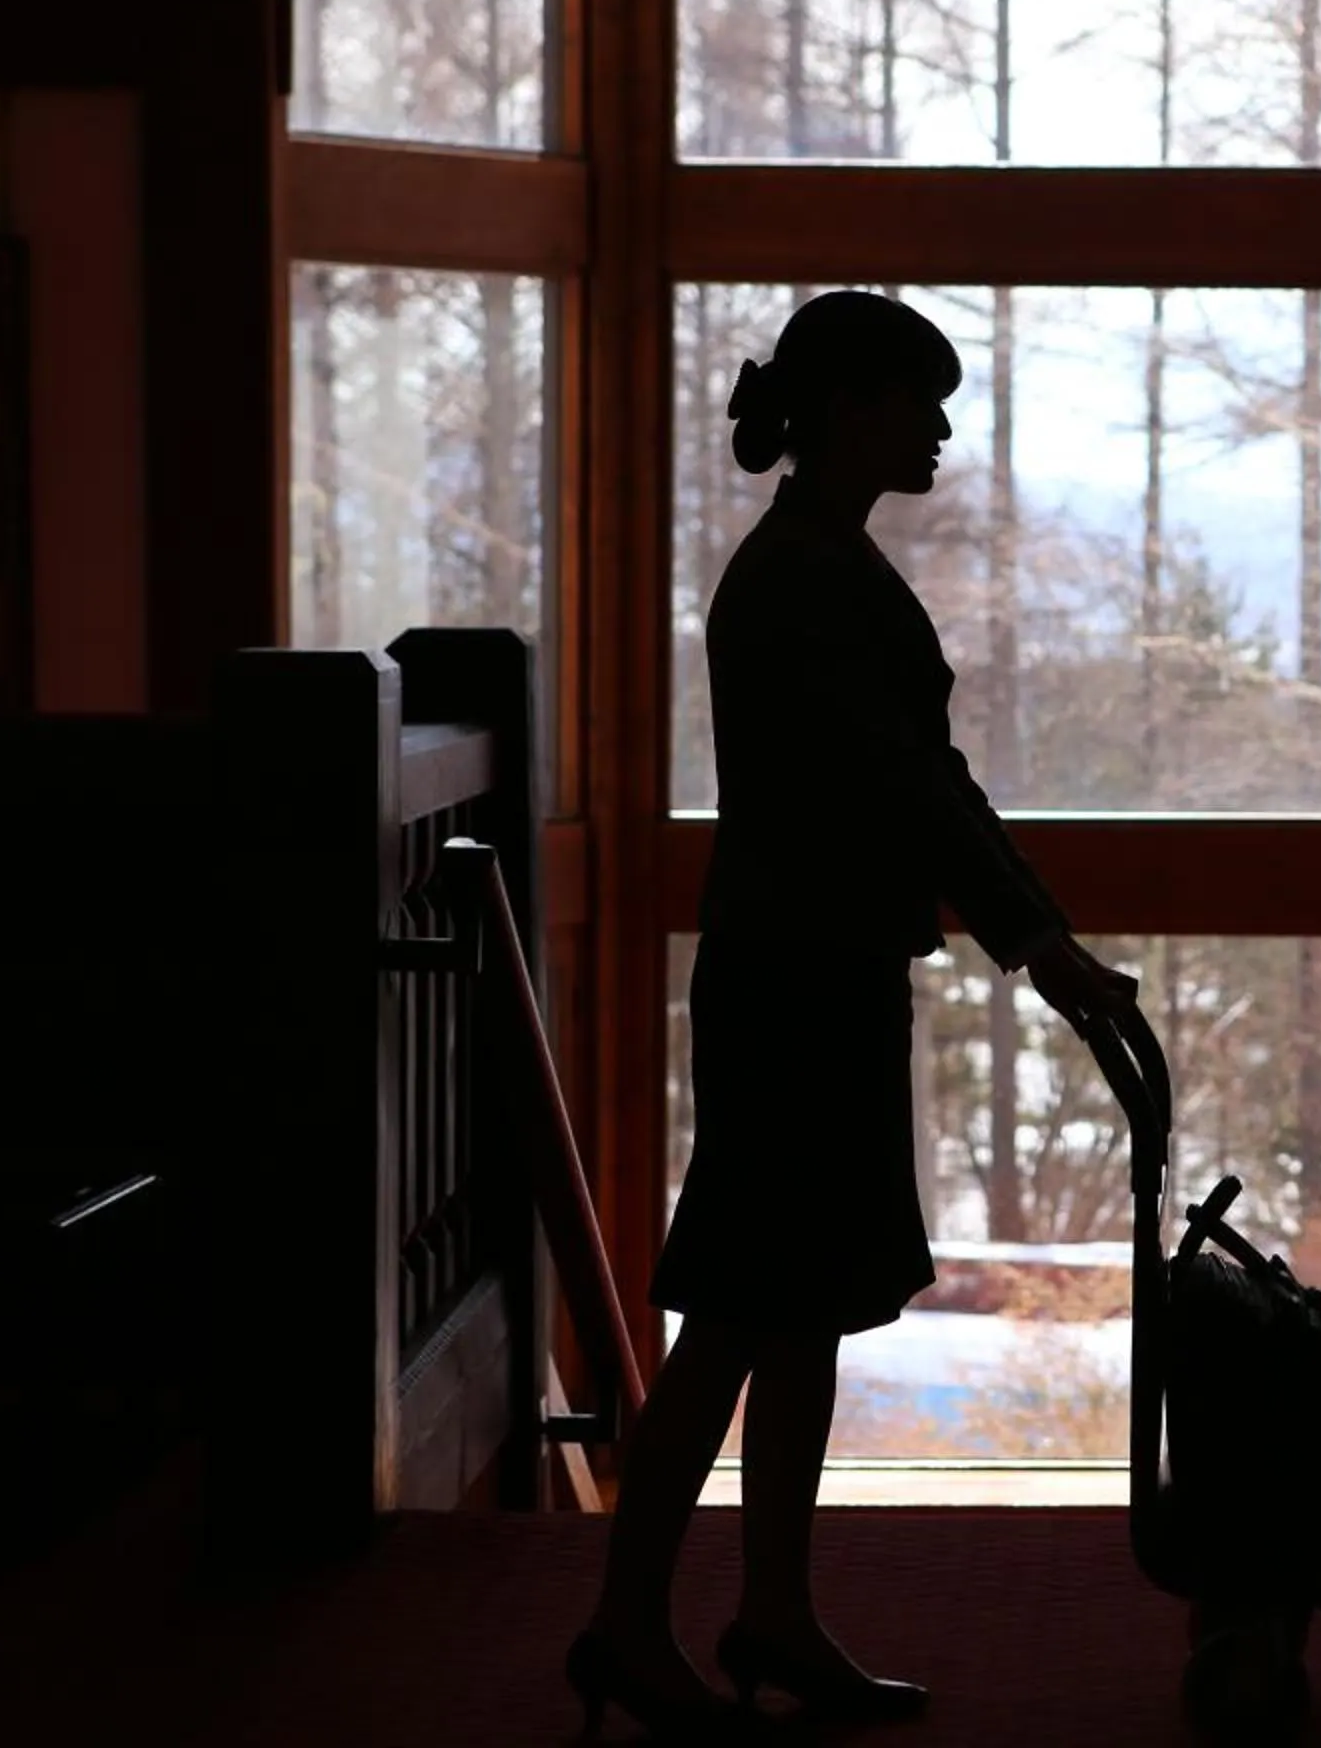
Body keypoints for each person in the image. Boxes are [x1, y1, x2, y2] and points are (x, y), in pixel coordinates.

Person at [568, 290, 1134, 1739]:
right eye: (915, 400)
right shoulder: (810, 579)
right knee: (750, 1306)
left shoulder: (811, 563)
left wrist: (1033, 930)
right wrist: (1040, 939)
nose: (940, 428)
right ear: (843, 410)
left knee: (793, 1306)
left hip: (810, 969)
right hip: (795, 982)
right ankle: (632, 1625)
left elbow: (912, 780)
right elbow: (909, 785)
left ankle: (768, 1612)